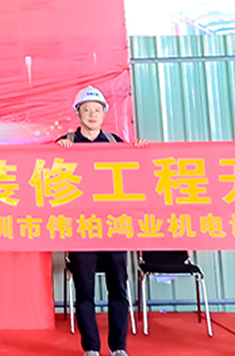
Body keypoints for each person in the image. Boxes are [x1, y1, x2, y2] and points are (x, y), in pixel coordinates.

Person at [56, 86, 147, 356]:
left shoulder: (114, 142)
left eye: (97, 110)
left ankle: (118, 347)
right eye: (87, 110)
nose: (92, 115)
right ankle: (91, 348)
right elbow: (48, 176)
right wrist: (57, 152)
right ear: (78, 113)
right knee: (84, 291)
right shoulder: (66, 143)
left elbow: (136, 172)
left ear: (104, 114)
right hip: (81, 229)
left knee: (118, 288)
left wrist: (141, 150)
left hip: (113, 228)